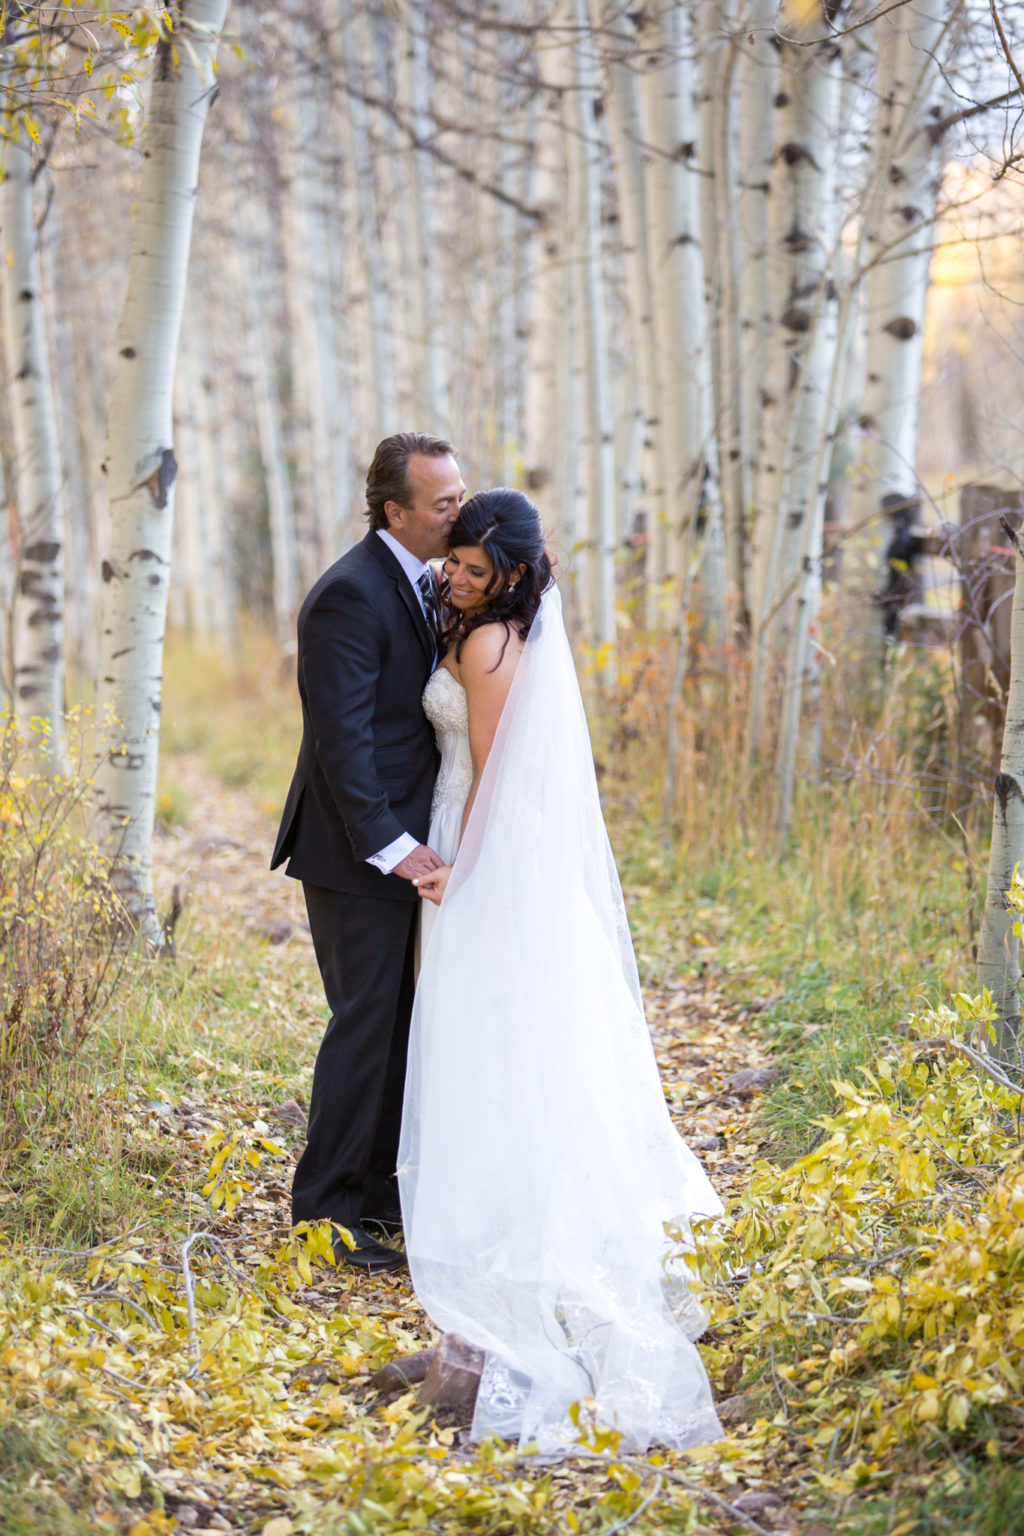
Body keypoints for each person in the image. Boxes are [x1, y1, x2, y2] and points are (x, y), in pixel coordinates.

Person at [398, 489, 724, 1454]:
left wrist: (465, 868)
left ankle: (522, 1223)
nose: (456, 579)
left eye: (474, 571)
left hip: (487, 851)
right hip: (473, 839)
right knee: (490, 1034)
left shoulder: (492, 645)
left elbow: (496, 771)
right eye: (453, 563)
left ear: (515, 577)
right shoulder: (482, 626)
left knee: (500, 1032)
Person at [271, 432, 465, 1274]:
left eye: (459, 493)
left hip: (406, 842)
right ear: (396, 511)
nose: (459, 511)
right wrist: (396, 849)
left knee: (397, 1026)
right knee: (362, 1028)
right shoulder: (347, 596)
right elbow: (342, 742)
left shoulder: (425, 581)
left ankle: (380, 1195)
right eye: (443, 502)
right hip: (356, 852)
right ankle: (324, 1213)